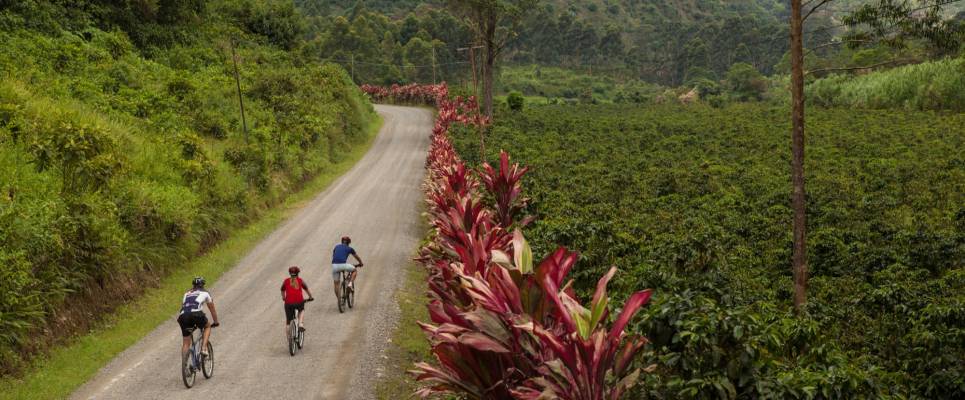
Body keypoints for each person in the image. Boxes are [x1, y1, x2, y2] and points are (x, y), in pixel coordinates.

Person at [178, 277, 219, 358]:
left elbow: (184, 307)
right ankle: (203, 348)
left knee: (186, 343)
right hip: (196, 314)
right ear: (203, 285)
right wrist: (216, 321)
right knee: (207, 327)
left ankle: (184, 365)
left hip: (183, 316)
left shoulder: (186, 293)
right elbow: (212, 309)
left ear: (193, 285)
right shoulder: (205, 293)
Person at [281, 266, 313, 334]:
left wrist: (284, 297)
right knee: (301, 310)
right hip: (299, 302)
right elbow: (306, 289)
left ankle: (289, 341)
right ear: (298, 273)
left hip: (288, 303)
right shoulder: (300, 280)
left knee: (288, 323)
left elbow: (282, 289)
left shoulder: (286, 281)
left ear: (290, 273)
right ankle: (300, 323)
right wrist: (310, 297)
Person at [331, 236, 363, 301]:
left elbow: (334, 255)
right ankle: (350, 284)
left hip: (334, 265)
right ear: (348, 243)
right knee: (354, 270)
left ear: (341, 241)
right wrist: (360, 263)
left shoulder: (336, 247)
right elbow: (357, 257)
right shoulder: (349, 248)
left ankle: (340, 301)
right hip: (343, 265)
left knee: (336, 283)